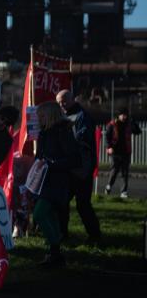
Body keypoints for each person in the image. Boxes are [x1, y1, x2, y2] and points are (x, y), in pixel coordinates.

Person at [33, 101, 83, 267]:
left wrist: (52, 164)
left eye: (41, 115)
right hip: (44, 181)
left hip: (57, 182)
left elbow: (75, 160)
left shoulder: (63, 132)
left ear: (50, 115)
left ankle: (55, 251)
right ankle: (55, 253)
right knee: (49, 216)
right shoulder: (44, 133)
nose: (38, 118)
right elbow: (40, 157)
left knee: (40, 214)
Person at [56, 89, 101, 243]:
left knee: (83, 205)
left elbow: (80, 139)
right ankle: (62, 234)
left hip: (82, 169)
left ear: (72, 99)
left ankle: (95, 235)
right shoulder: (62, 116)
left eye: (64, 101)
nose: (62, 104)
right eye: (59, 102)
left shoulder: (83, 117)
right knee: (61, 202)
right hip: (67, 168)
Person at [105, 107, 141, 199]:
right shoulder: (112, 124)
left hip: (126, 152)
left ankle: (123, 192)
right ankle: (109, 186)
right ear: (119, 115)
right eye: (123, 115)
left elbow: (138, 132)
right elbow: (107, 136)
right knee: (114, 171)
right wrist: (109, 147)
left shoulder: (129, 124)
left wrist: (134, 123)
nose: (125, 117)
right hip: (115, 152)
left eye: (126, 115)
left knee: (125, 173)